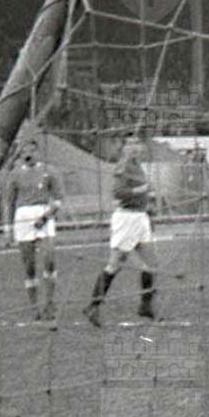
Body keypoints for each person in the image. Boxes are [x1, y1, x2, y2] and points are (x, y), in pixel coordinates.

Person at [87, 136, 158, 324]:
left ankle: (145, 305)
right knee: (114, 264)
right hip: (127, 218)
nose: (135, 147)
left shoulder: (137, 165)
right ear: (124, 147)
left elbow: (141, 191)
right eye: (131, 144)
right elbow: (117, 193)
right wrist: (141, 190)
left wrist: (148, 203)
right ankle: (93, 305)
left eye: (137, 143)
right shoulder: (123, 166)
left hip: (140, 217)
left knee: (150, 263)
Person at [2, 136, 64, 320]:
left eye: (31, 150)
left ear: (38, 152)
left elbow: (59, 199)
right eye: (24, 151)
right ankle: (34, 307)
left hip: (43, 214)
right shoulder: (14, 175)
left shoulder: (49, 171)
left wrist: (46, 216)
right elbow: (8, 202)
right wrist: (8, 229)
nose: (28, 154)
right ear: (20, 154)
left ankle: (49, 302)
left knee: (49, 258)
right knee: (29, 266)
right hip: (23, 218)